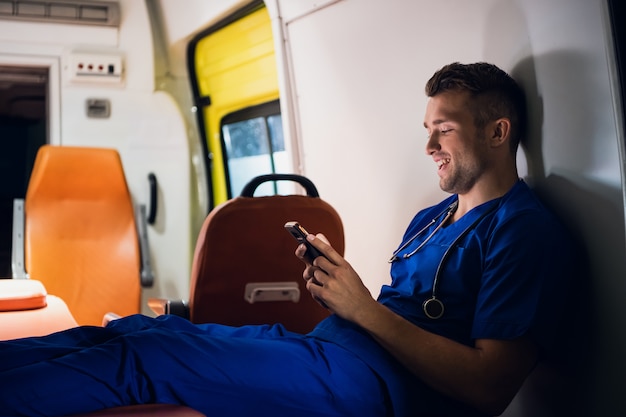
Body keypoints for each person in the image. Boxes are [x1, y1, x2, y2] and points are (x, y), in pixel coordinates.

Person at [0, 62, 574, 417]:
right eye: (427, 131)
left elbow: (489, 389)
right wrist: (340, 296)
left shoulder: (523, 232)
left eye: (443, 130)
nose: (429, 147)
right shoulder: (432, 218)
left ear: (498, 132)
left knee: (147, 357)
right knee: (144, 328)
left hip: (373, 391)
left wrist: (363, 310)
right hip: (330, 351)